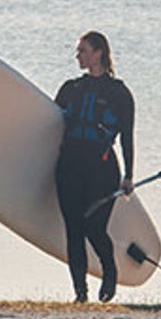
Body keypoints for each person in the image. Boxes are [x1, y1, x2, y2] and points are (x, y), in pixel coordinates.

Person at [52, 30, 136, 303]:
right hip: (69, 167)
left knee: (94, 227)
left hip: (102, 170)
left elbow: (127, 137)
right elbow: (47, 125)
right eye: (79, 51)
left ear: (98, 53)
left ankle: (109, 271)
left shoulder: (119, 93)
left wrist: (128, 176)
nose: (78, 56)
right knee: (74, 229)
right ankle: (80, 294)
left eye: (83, 50)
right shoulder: (70, 89)